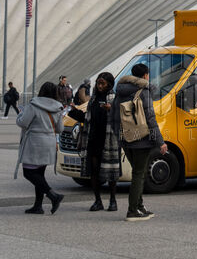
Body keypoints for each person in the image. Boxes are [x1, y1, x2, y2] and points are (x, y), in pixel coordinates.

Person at [111, 63, 168, 222]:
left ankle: (139, 206)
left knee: (138, 173)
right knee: (139, 174)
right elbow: (150, 118)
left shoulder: (120, 91)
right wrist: (160, 142)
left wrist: (120, 137)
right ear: (145, 76)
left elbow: (113, 116)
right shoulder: (144, 91)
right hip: (142, 140)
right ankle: (132, 211)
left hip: (126, 138)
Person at [69, 72, 121, 211]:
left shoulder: (115, 99)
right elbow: (87, 119)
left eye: (102, 83)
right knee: (94, 171)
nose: (99, 86)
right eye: (98, 83)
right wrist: (74, 111)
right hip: (93, 139)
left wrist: (112, 109)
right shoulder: (93, 99)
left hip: (109, 140)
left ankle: (113, 201)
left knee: (111, 173)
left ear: (109, 84)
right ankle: (98, 201)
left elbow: (122, 118)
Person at [17, 82, 65, 214]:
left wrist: (20, 115)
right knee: (39, 174)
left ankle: (53, 196)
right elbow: (60, 129)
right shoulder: (58, 107)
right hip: (49, 143)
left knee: (28, 173)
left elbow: (23, 123)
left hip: (35, 143)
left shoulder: (33, 105)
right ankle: (38, 206)